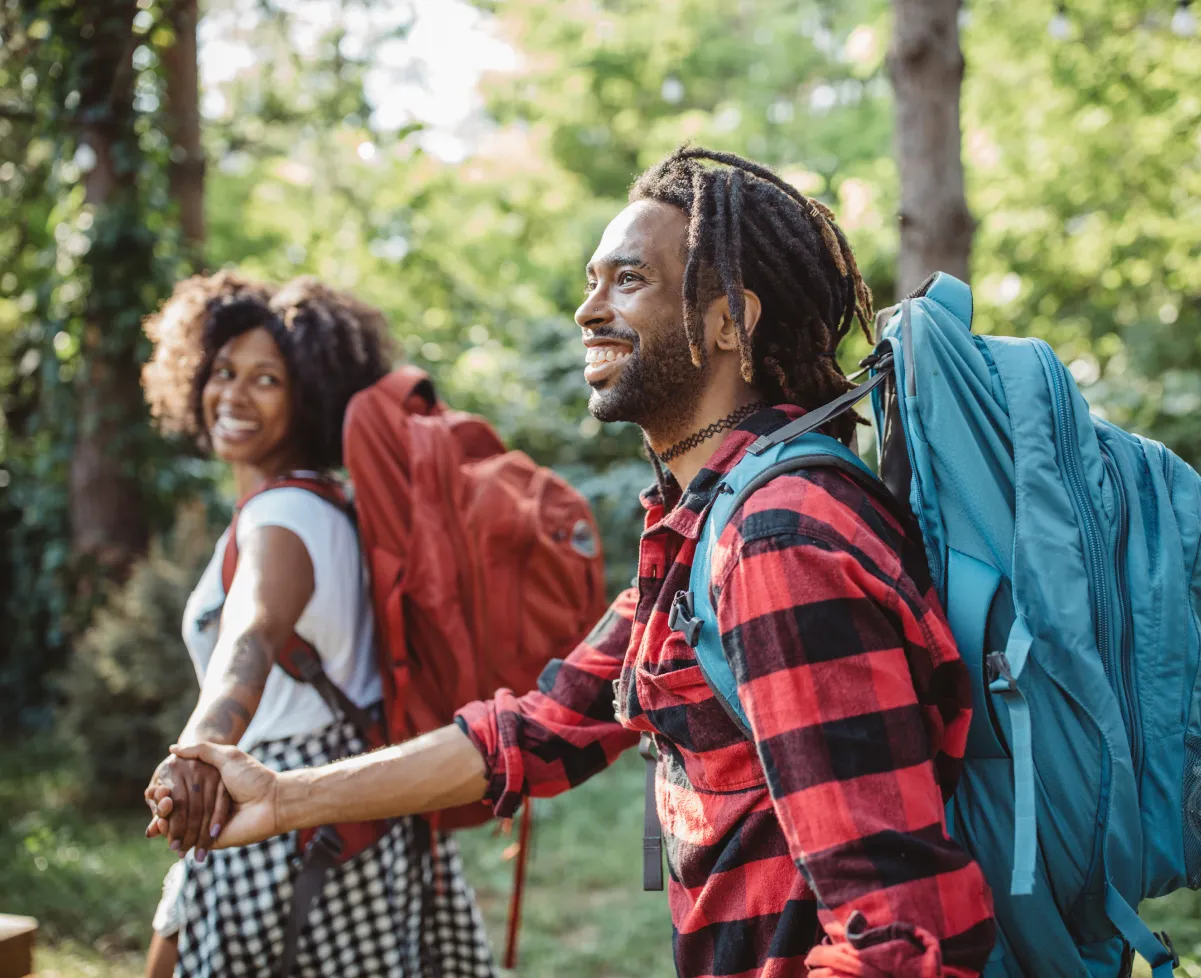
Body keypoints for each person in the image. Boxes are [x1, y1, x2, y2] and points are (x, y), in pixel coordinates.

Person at [151, 149, 996, 978]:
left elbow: (899, 936)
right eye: (591, 281)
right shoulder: (703, 530)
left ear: (729, 321)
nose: (589, 310)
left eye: (628, 281)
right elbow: (538, 730)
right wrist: (283, 797)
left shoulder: (777, 540)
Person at [138, 272, 495, 978]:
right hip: (347, 807)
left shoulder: (283, 517)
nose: (233, 394)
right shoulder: (320, 507)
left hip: (286, 811)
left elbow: (253, 636)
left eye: (266, 379)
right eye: (222, 371)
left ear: (310, 394)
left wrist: (198, 749)